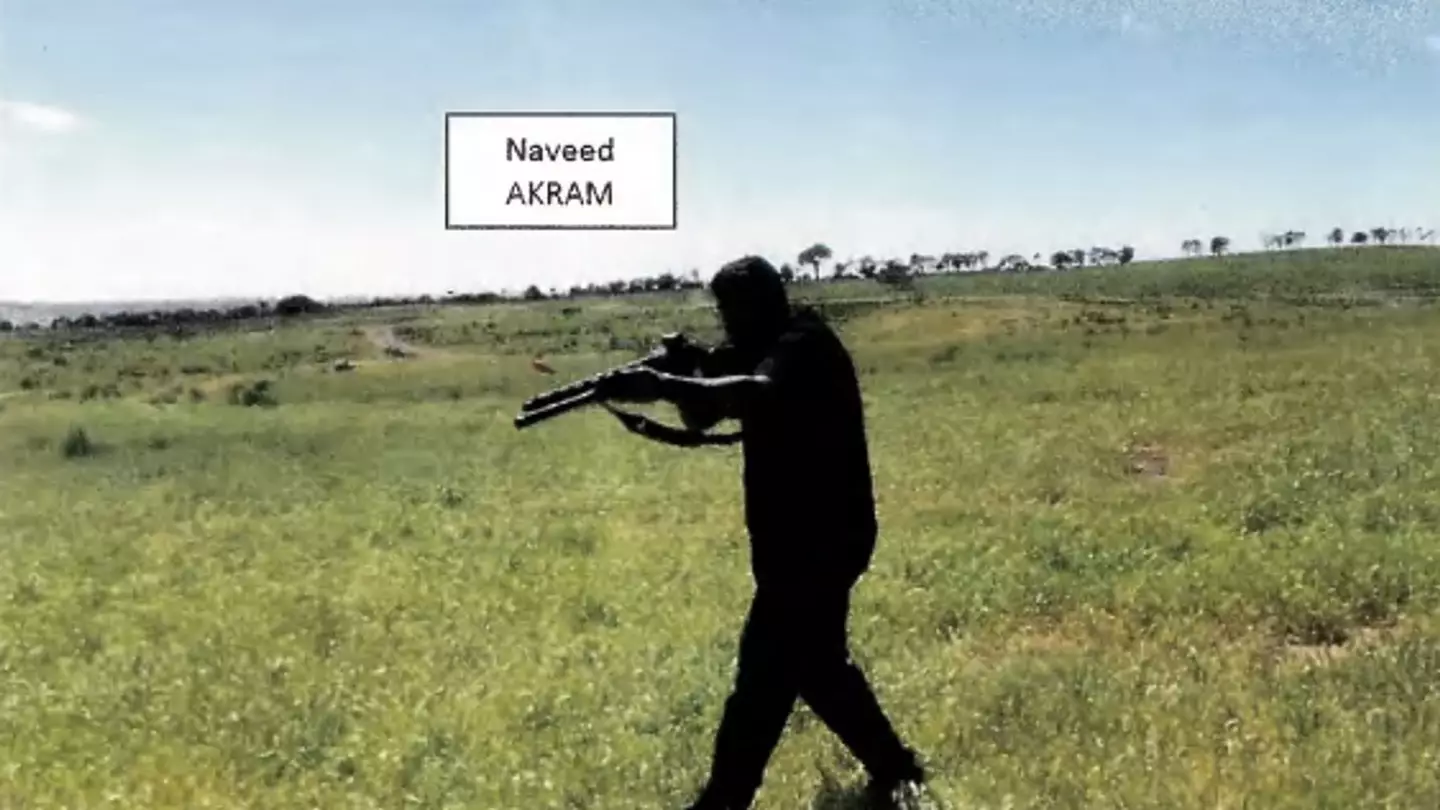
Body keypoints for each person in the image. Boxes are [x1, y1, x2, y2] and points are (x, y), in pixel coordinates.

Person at [594, 255, 933, 810]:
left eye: (733, 311)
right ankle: (896, 768)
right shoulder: (755, 350)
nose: (727, 323)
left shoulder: (805, 343)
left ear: (766, 303)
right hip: (792, 542)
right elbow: (703, 418)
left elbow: (756, 391)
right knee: (820, 669)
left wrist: (663, 381)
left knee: (762, 677)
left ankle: (723, 801)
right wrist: (688, 370)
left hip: (822, 542)